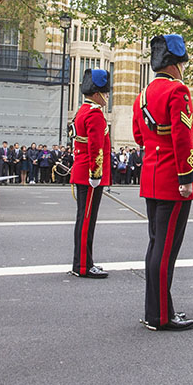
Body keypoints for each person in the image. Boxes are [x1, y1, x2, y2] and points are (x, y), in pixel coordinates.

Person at [132, 34, 193, 331]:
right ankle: (160, 315)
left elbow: (138, 136)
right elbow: (182, 137)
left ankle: (154, 311)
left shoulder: (143, 94)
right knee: (167, 249)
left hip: (152, 175)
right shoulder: (178, 91)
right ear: (175, 64)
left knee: (155, 244)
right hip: (174, 178)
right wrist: (187, 177)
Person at [69, 68, 111, 278]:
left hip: (82, 171)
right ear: (97, 93)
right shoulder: (94, 113)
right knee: (86, 221)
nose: (107, 96)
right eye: (105, 92)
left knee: (83, 220)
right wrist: (96, 175)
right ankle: (83, 266)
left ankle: (83, 261)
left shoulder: (82, 111)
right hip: (90, 174)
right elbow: (96, 148)